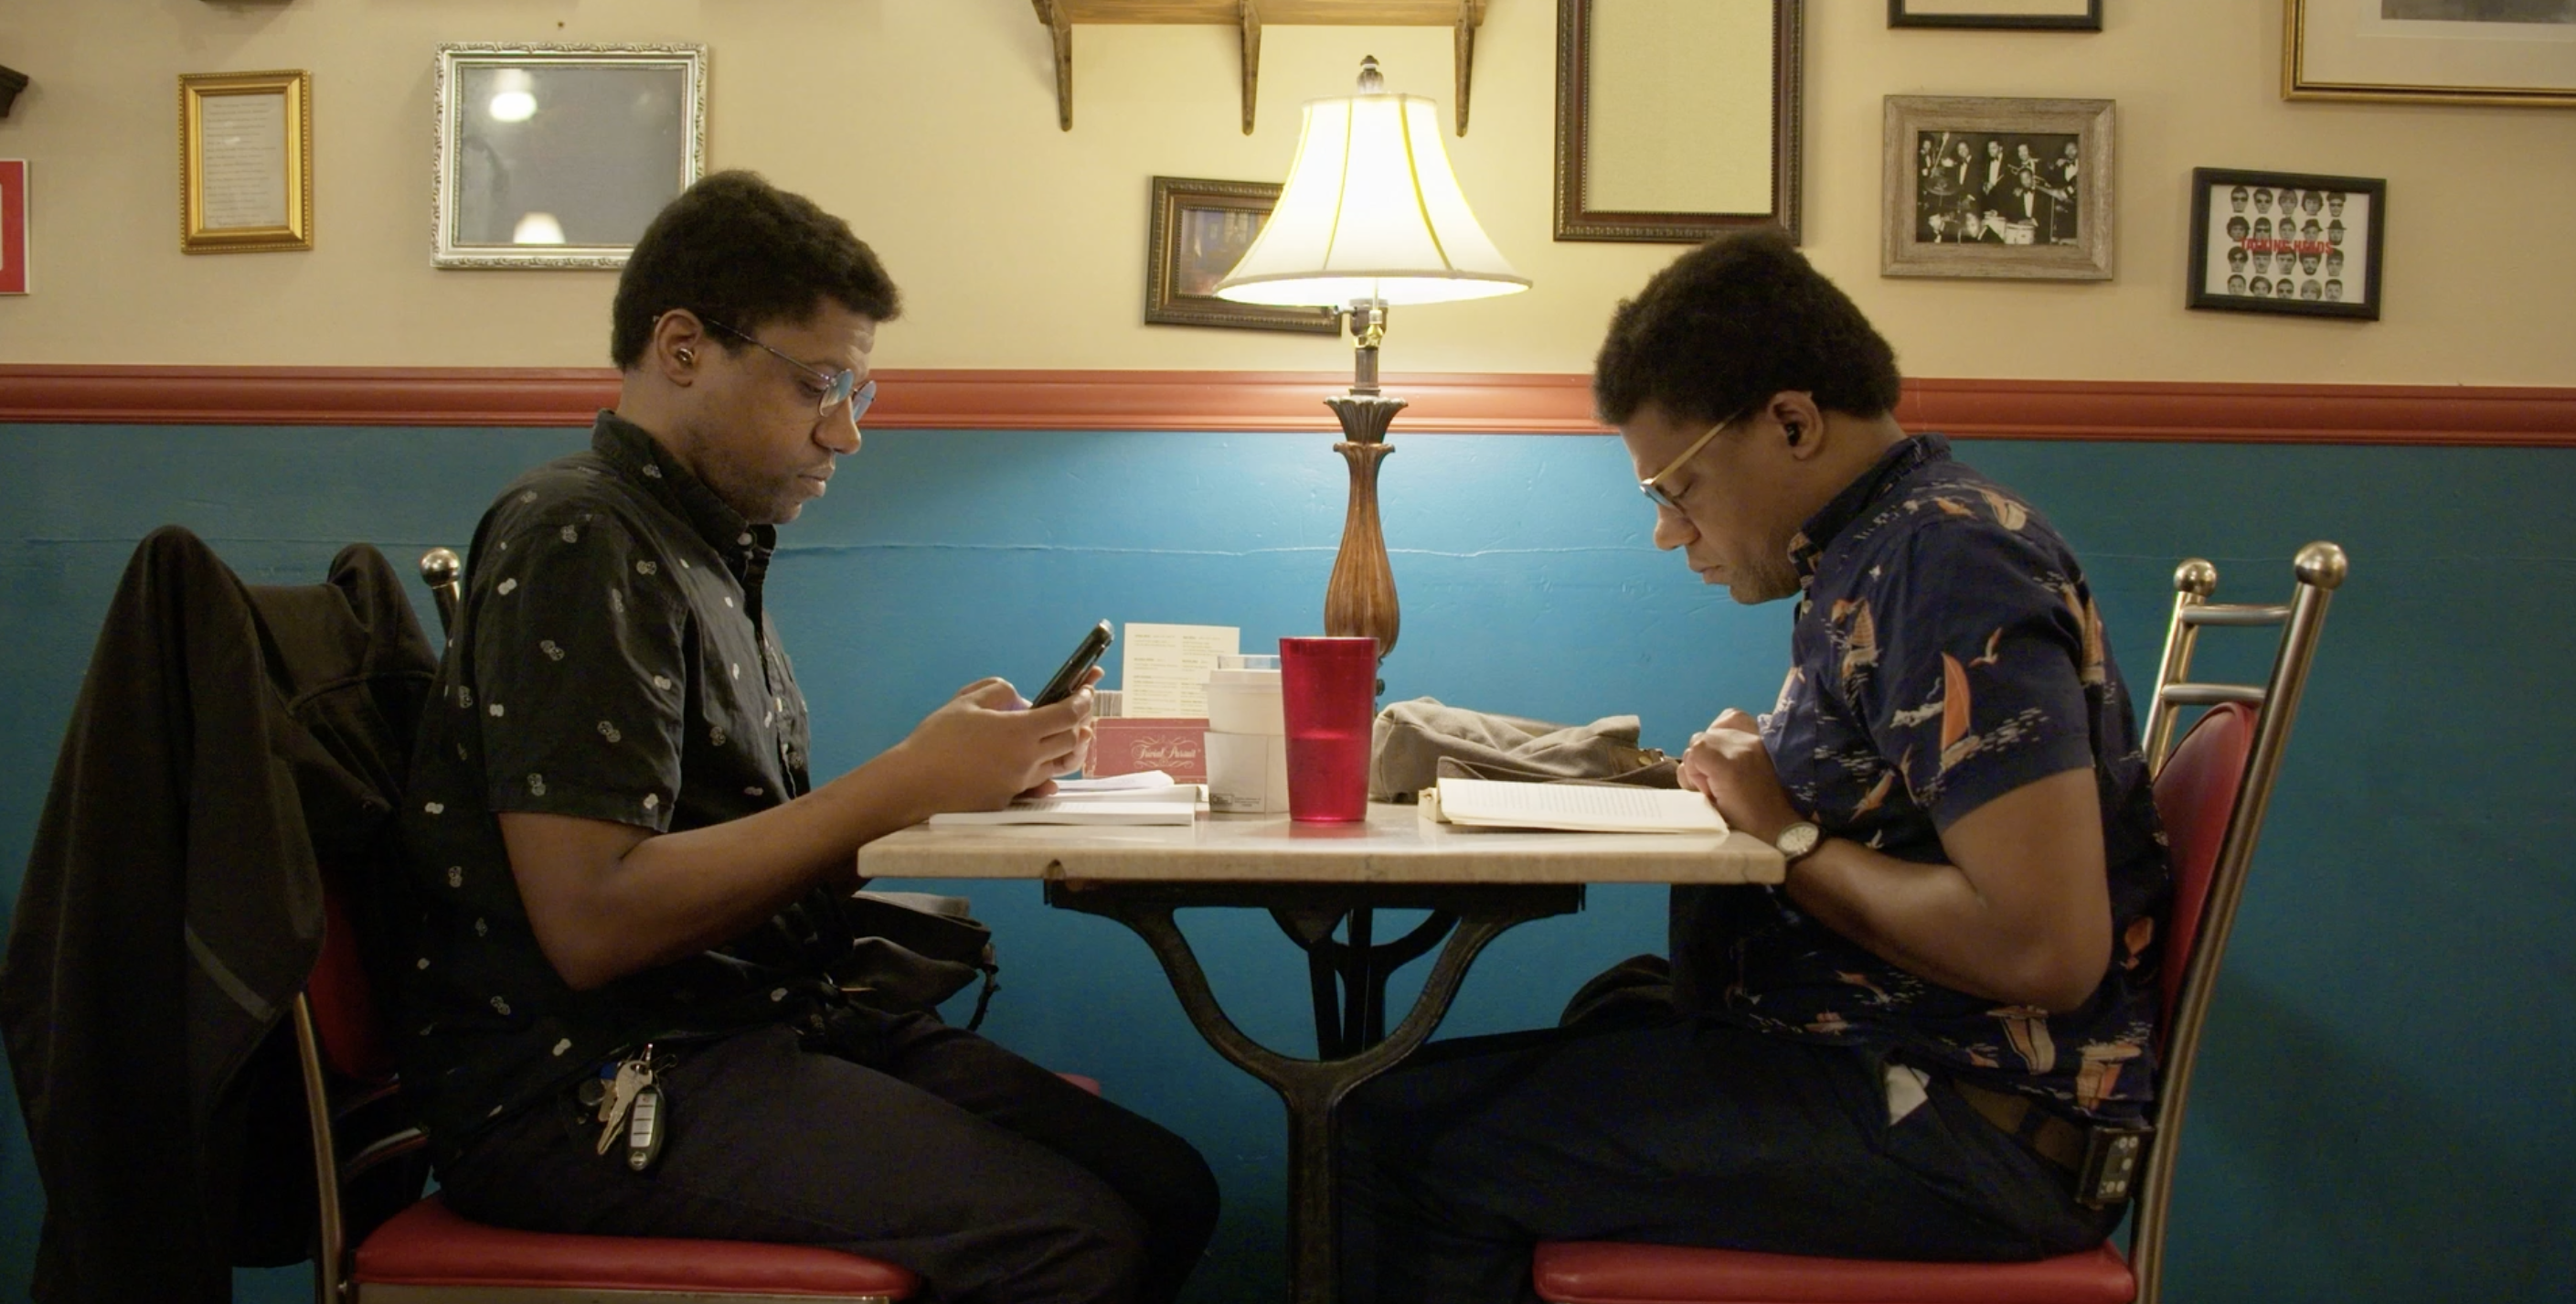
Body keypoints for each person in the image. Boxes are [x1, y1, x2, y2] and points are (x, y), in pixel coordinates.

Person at [397, 170, 1219, 1304]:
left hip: (749, 1020)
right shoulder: (580, 536)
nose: (846, 430)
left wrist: (946, 784)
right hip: (589, 1083)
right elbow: (592, 921)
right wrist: (897, 785)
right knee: (1070, 1241)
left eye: (861, 392)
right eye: (821, 384)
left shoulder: (699, 543)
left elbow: (735, 853)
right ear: (681, 348)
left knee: (1166, 1186)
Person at [1336, 231, 2168, 1304]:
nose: (1667, 531)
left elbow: (2043, 947)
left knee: (1389, 1135)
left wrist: (1786, 831)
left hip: (1966, 1124)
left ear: (1791, 422)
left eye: (1673, 487)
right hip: (1896, 1067)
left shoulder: (1946, 561)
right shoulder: (1876, 553)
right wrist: (1771, 777)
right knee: (1589, 1022)